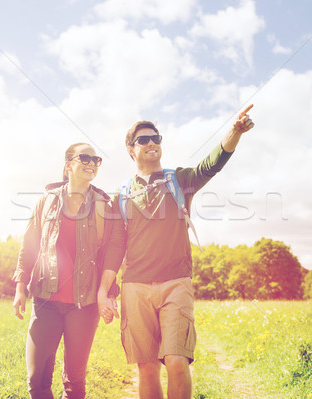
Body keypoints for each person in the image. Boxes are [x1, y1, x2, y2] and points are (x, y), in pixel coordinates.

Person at [97, 105, 255, 399]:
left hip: (176, 283)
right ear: (130, 150)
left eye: (156, 138)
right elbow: (116, 246)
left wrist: (234, 132)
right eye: (144, 140)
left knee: (176, 361)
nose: (152, 143)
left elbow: (211, 165)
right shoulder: (120, 196)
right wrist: (104, 291)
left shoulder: (178, 180)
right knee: (146, 367)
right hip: (135, 287)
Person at [12, 143, 118, 399]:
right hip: (46, 300)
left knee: (74, 381)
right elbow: (29, 244)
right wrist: (19, 287)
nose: (92, 163)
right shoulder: (46, 201)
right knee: (36, 379)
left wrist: (110, 292)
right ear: (68, 164)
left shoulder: (105, 205)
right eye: (85, 157)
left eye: (96, 159)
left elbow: (111, 253)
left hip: (84, 305)